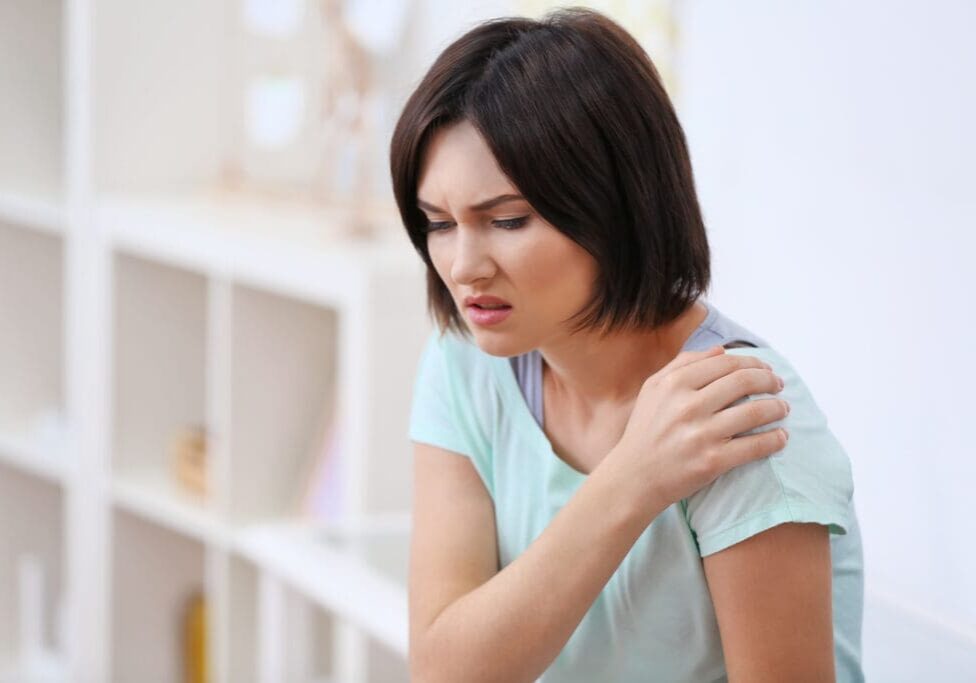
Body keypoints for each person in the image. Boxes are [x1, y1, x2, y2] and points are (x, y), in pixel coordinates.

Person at [389, 7, 864, 682]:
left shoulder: (739, 416)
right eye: (438, 223)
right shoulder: (465, 364)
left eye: (507, 219)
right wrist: (632, 479)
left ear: (613, 204)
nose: (464, 265)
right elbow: (445, 671)